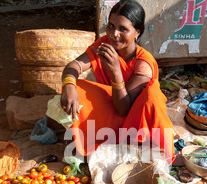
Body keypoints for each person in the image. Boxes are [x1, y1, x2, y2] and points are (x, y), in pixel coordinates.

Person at [60, 0, 174, 162]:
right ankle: (101, 138)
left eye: (123, 29)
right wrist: (69, 85)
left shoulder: (143, 64)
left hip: (136, 121)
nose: (114, 34)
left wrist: (115, 72)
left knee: (152, 94)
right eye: (111, 26)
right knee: (77, 87)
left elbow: (124, 109)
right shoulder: (105, 45)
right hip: (113, 107)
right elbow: (74, 66)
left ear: (137, 32)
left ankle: (131, 143)